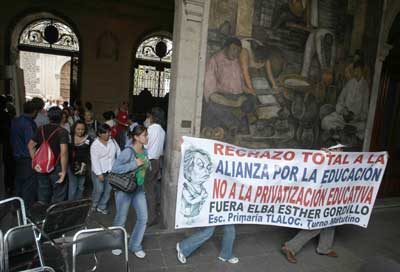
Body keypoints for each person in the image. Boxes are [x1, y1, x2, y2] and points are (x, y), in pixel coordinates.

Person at [281, 144, 345, 263]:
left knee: (331, 222)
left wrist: (380, 158)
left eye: (341, 149)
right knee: (317, 224)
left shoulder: (342, 160)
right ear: (330, 149)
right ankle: (290, 247)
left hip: (333, 197)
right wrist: (321, 155)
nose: (341, 151)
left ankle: (324, 248)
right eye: (337, 149)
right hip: (320, 198)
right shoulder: (321, 158)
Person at [203, 37, 257, 139]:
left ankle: (241, 129)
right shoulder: (214, 61)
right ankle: (233, 127)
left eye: (238, 51)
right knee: (213, 107)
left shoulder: (236, 61)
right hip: (221, 99)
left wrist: (250, 92)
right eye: (234, 49)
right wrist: (234, 103)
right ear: (226, 47)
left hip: (237, 98)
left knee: (251, 100)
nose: (236, 53)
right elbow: (212, 95)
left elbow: (240, 85)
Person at [111, 125, 150, 258]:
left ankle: (135, 245)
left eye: (147, 134)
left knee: (143, 218)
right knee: (121, 218)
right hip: (124, 189)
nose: (147, 137)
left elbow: (143, 168)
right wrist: (135, 164)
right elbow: (115, 169)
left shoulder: (144, 151)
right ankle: (115, 244)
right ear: (136, 137)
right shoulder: (128, 151)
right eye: (145, 135)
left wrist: (146, 164)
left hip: (138, 189)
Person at [28, 107, 69, 204]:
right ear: (61, 117)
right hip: (56, 167)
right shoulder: (62, 132)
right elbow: (64, 152)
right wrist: (63, 171)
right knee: (59, 194)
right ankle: (55, 217)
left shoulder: (40, 129)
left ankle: (43, 215)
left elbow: (30, 145)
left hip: (42, 166)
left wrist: (35, 160)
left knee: (43, 193)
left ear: (48, 116)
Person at [321, 62, 369, 140]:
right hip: (343, 117)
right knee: (325, 121)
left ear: (362, 71)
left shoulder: (365, 87)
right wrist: (343, 111)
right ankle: (341, 131)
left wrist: (356, 117)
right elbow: (340, 101)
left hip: (355, 121)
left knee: (364, 127)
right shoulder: (349, 83)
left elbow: (365, 110)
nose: (356, 73)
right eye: (355, 71)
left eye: (359, 71)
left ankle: (342, 132)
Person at [10, 101, 40, 207]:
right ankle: (26, 211)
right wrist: (36, 160)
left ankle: (16, 206)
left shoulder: (15, 121)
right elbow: (31, 144)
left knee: (18, 183)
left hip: (16, 157)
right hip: (27, 158)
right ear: (34, 111)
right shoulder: (29, 124)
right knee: (29, 187)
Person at [90, 123, 120, 214]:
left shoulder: (113, 141)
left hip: (111, 170)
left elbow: (118, 152)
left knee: (108, 190)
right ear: (99, 134)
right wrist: (99, 174)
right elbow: (94, 160)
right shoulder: (95, 145)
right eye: (105, 133)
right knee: (99, 189)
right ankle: (93, 205)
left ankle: (101, 206)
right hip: (99, 171)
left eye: (109, 132)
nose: (108, 134)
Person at [144, 107, 165, 226]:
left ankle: (150, 217)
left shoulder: (151, 129)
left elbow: (146, 146)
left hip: (149, 161)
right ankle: (151, 215)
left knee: (148, 191)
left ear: (153, 117)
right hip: (156, 161)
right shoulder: (162, 130)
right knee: (151, 189)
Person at [68, 120, 91, 200]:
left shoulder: (88, 138)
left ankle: (78, 205)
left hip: (83, 166)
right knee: (73, 186)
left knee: (81, 186)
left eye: (82, 129)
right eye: (78, 129)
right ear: (74, 128)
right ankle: (70, 206)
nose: (80, 131)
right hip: (71, 165)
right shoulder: (69, 138)